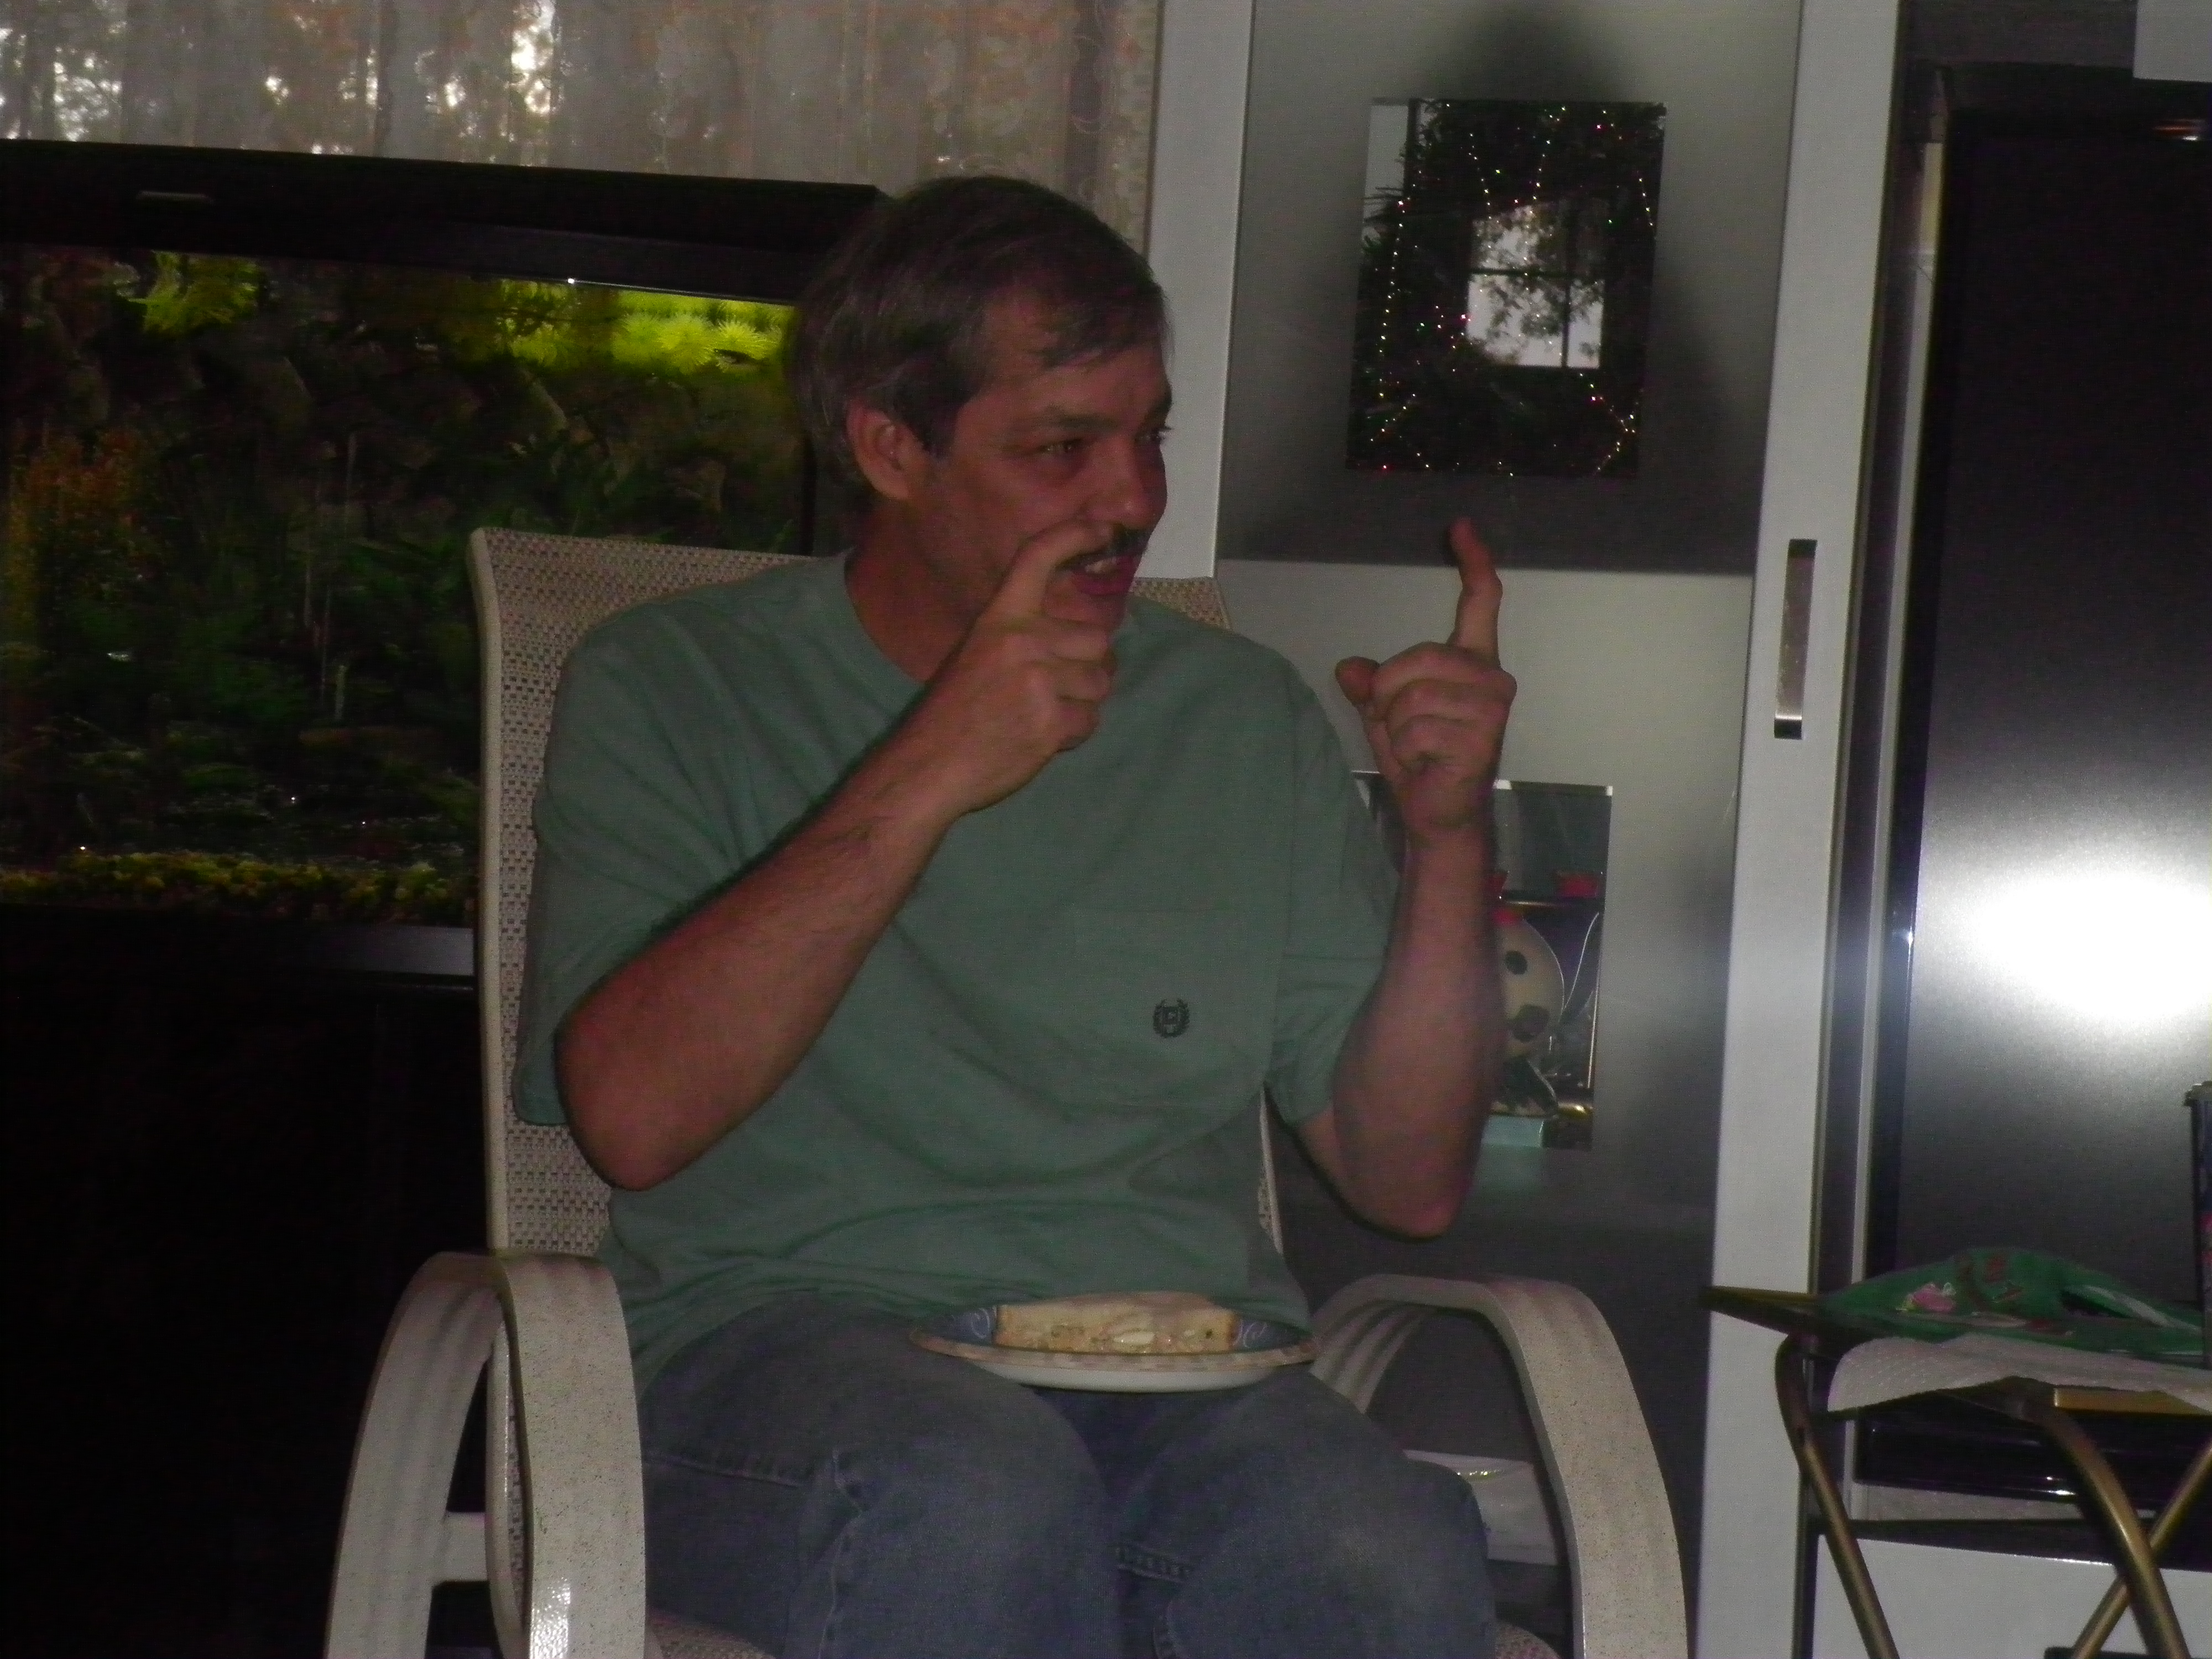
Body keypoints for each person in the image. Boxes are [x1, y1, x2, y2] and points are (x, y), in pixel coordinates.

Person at [515, 175, 1517, 1659]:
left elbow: (1408, 1180)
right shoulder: (673, 685)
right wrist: (936, 764)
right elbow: (635, 1119)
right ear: (891, 449)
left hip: (1178, 1378)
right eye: (1063, 448)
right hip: (774, 1360)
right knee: (974, 1497)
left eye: (1150, 433)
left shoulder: (1237, 717)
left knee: (1377, 1545)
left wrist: (1445, 840)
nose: (1135, 500)